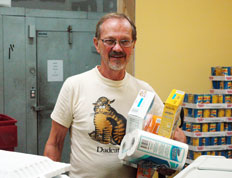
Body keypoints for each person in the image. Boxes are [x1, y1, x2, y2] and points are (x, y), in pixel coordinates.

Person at [44, 12, 186, 178]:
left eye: (124, 41)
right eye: (110, 41)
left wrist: (176, 147)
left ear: (133, 45)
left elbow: (172, 139)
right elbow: (54, 143)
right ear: (97, 44)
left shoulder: (145, 92)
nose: (117, 48)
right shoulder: (74, 86)